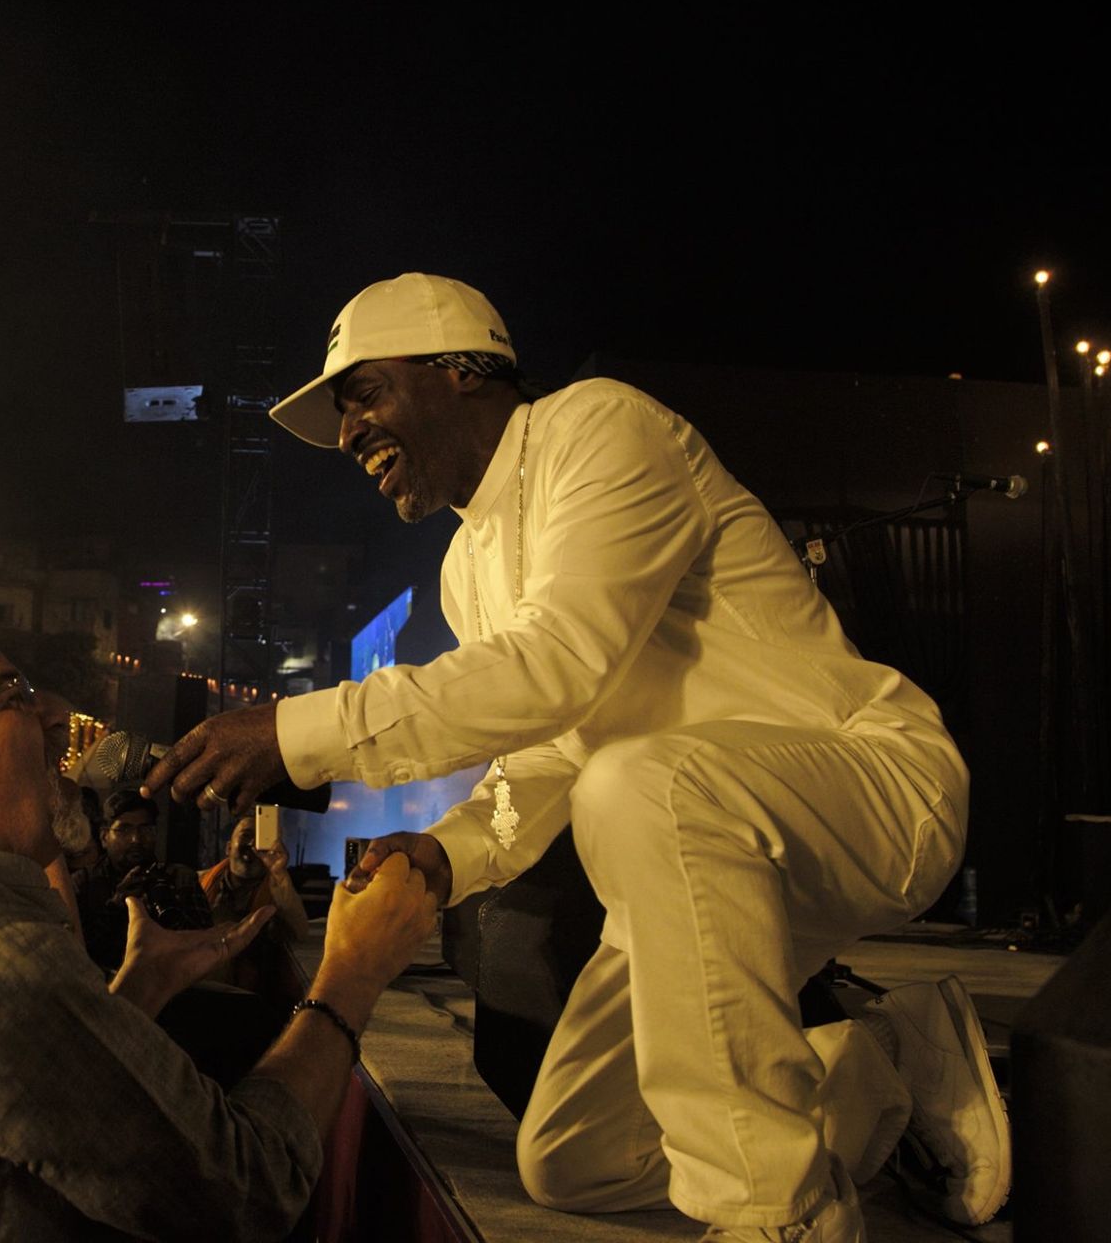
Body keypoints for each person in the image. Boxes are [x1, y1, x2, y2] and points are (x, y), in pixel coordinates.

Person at [142, 273, 1003, 1240]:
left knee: (636, 781)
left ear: (465, 371)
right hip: (702, 839)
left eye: (365, 395)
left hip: (872, 787)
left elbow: (559, 669)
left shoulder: (599, 428)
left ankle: (777, 1214)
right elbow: (550, 751)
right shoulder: (468, 568)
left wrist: (294, 731)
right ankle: (888, 1057)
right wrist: (448, 852)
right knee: (577, 1161)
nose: (348, 437)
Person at [0, 596, 437, 1242]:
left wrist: (133, 997)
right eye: (13, 695)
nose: (56, 713)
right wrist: (353, 972)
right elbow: (244, 1188)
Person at [71, 790, 209, 970]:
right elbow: (74, 950)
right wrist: (115, 906)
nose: (136, 839)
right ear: (104, 837)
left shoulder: (181, 878)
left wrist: (167, 908)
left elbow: (203, 946)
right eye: (124, 829)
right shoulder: (83, 882)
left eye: (145, 829)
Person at [201, 814, 310, 1001]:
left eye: (262, 839)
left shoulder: (278, 890)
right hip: (203, 988)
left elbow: (300, 932)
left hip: (253, 996)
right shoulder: (200, 883)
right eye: (246, 835)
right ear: (228, 847)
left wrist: (279, 873)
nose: (253, 845)